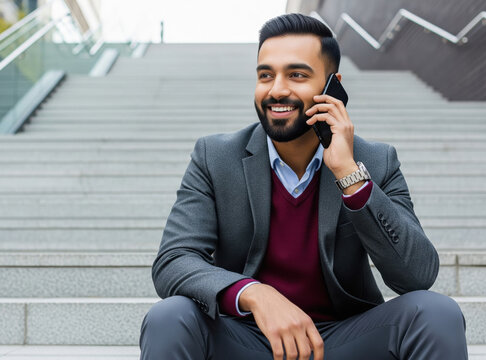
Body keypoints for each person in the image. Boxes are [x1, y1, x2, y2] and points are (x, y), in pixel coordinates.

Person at [140, 13, 468, 360]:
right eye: (266, 75)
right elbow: (174, 261)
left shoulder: (376, 160)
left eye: (296, 75)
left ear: (333, 85)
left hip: (344, 339)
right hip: (245, 339)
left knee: (435, 312)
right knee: (169, 316)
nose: (277, 89)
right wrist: (255, 294)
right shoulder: (215, 156)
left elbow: (416, 275)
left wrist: (349, 174)